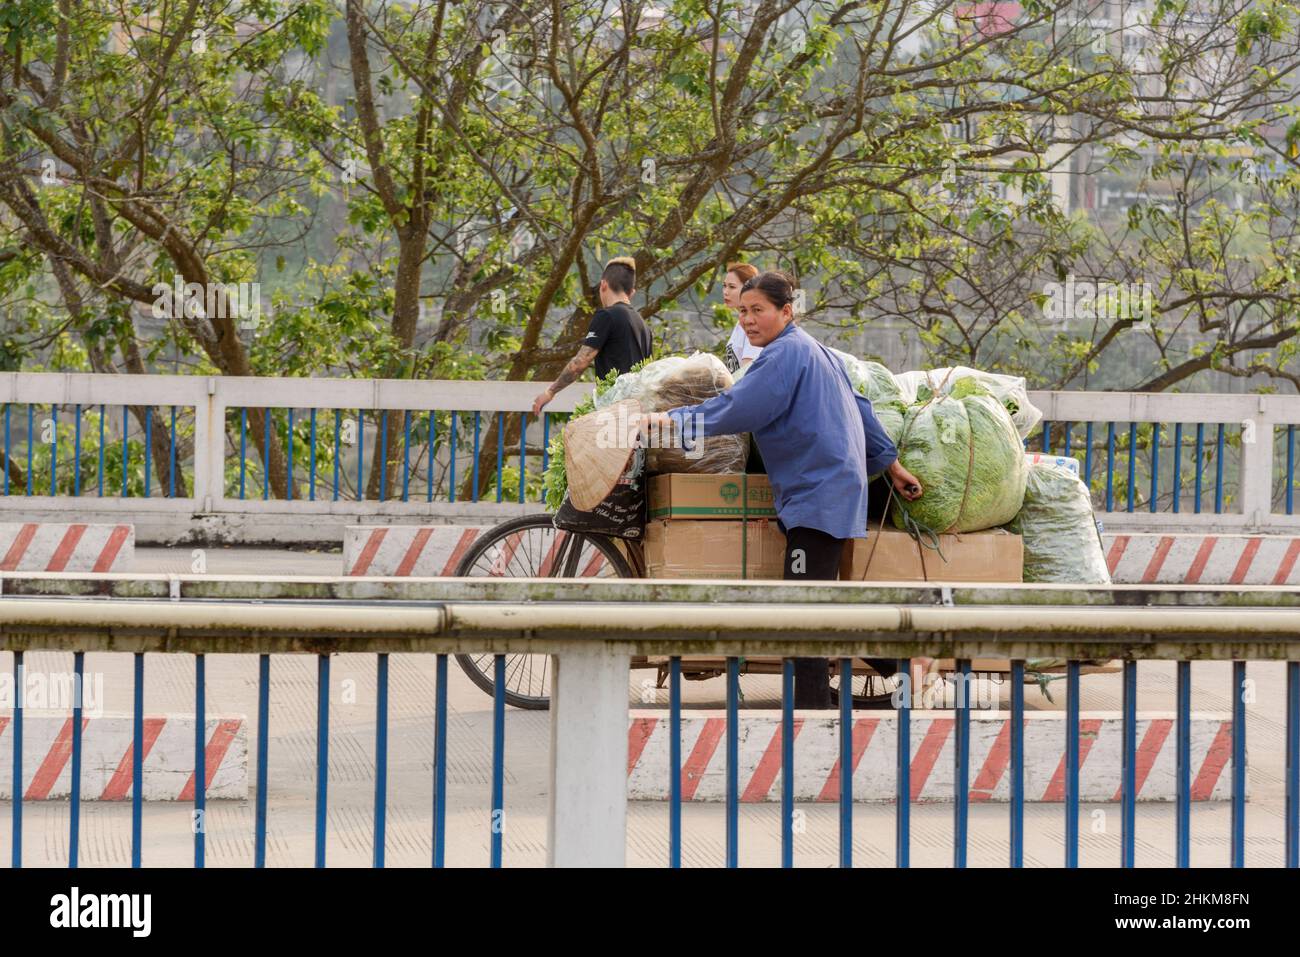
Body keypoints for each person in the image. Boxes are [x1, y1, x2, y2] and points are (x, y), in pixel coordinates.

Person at [644, 271, 925, 708]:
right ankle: (902, 666)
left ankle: (814, 712)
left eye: (758, 311)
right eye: (742, 312)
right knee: (817, 600)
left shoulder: (783, 355)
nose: (748, 320)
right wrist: (893, 465)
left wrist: (675, 421)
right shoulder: (817, 351)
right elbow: (862, 408)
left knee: (801, 610)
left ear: (786, 311)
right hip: (832, 488)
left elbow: (742, 406)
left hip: (818, 491)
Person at [532, 257, 652, 416]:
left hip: (615, 411)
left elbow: (580, 363)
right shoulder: (644, 326)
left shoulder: (607, 315)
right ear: (632, 292)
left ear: (603, 285)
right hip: (638, 412)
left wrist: (550, 392)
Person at [720, 261, 760, 373]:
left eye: (732, 287)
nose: (725, 292)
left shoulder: (753, 324)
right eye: (724, 286)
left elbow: (747, 371)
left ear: (748, 288)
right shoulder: (740, 323)